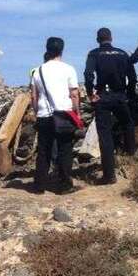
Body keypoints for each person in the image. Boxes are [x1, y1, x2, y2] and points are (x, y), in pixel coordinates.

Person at [84, 27, 136, 184]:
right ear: (111, 38)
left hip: (103, 97)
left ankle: (109, 175)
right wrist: (128, 94)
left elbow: (88, 75)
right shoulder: (122, 53)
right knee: (128, 124)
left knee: (105, 134)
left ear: (97, 40)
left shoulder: (94, 54)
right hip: (120, 95)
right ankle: (131, 156)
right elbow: (132, 77)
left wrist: (90, 93)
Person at [30, 37, 80, 194]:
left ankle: (39, 186)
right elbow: (74, 94)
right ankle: (65, 185)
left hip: (44, 114)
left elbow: (34, 96)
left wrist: (36, 112)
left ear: (47, 49)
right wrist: (77, 112)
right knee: (65, 149)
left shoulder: (37, 71)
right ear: (62, 50)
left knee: (43, 150)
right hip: (64, 114)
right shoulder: (69, 69)